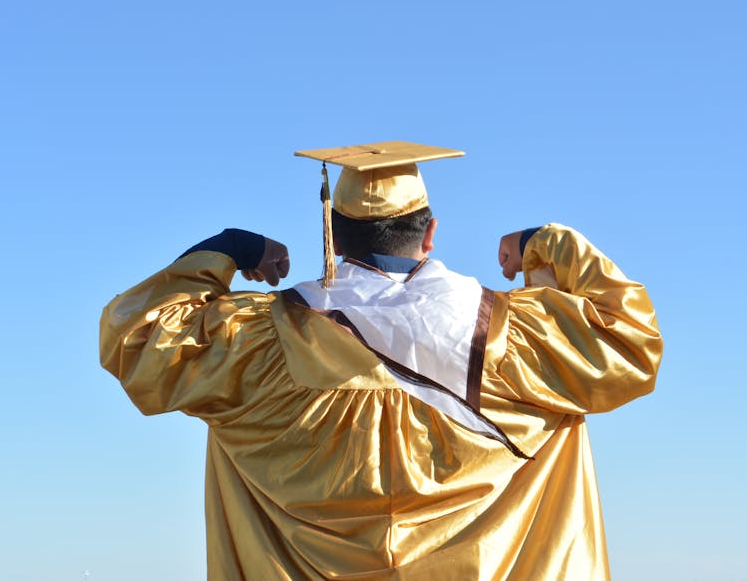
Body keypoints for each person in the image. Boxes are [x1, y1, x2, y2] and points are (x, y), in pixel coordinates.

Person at [99, 141, 663, 581]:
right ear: (430, 234)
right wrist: (549, 242)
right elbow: (631, 338)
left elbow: (139, 337)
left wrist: (228, 247)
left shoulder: (260, 340)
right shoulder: (517, 338)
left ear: (333, 237)